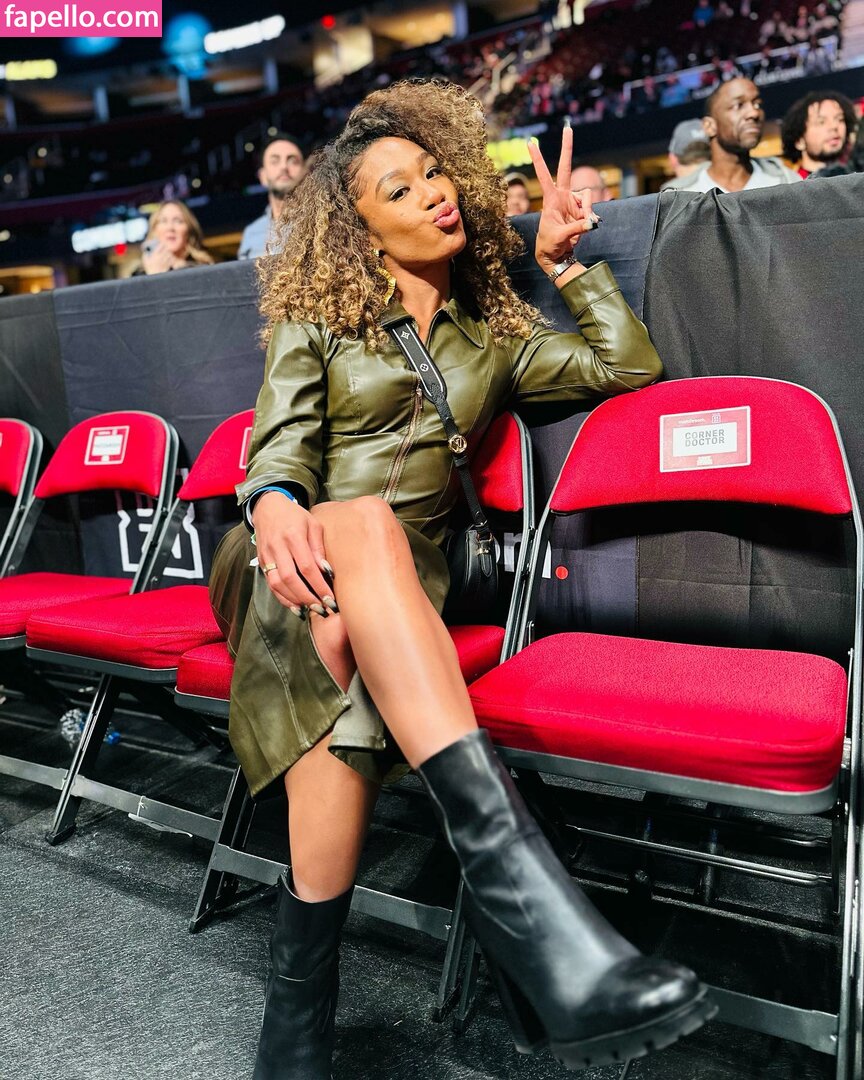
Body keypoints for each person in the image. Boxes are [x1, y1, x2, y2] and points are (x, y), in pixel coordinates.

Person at [209, 80, 713, 1080]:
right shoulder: (321, 319)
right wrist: (271, 503)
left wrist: (565, 267)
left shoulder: (493, 338)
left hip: (403, 589)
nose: (434, 193)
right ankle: (530, 912)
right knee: (359, 527)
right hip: (291, 555)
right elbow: (280, 445)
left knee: (351, 686)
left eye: (435, 172)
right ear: (360, 231)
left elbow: (628, 370)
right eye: (399, 189)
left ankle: (296, 1030)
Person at [663, 77, 801, 192]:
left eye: (757, 104)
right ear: (709, 126)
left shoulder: (787, 182)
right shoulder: (680, 197)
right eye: (738, 105)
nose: (754, 113)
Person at [238, 132, 307, 260]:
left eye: (293, 161)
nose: (284, 167)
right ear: (262, 176)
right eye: (275, 161)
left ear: (305, 172)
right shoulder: (251, 233)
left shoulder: (322, 223)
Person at [781, 90, 856, 178]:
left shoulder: (855, 176)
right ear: (799, 141)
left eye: (840, 119)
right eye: (821, 122)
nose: (834, 126)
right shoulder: (794, 183)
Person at [129, 201, 214, 276]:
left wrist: (157, 276)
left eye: (178, 221)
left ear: (188, 230)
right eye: (163, 221)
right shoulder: (139, 274)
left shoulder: (202, 271)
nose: (170, 227)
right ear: (154, 230)